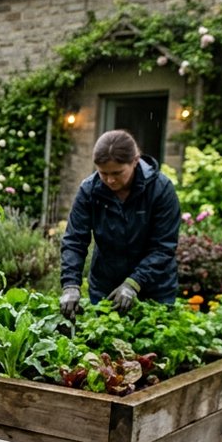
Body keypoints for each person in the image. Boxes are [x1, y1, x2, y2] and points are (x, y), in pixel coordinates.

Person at [59, 129, 179, 319]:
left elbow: (163, 247)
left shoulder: (161, 190)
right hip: (105, 288)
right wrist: (71, 284)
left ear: (135, 160)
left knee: (155, 346)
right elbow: (75, 240)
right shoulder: (89, 190)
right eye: (103, 173)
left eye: (117, 173)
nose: (110, 180)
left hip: (155, 291)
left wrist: (133, 283)